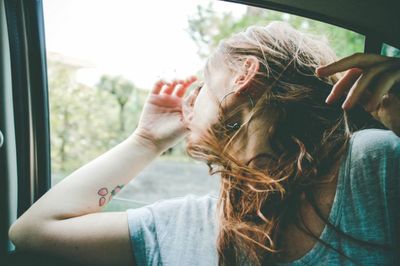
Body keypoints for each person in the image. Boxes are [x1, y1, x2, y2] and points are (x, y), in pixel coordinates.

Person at [8, 22, 400, 266]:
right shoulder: (186, 222)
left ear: (244, 75)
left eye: (200, 84)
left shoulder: (373, 164)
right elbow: (31, 230)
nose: (188, 101)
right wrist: (145, 141)